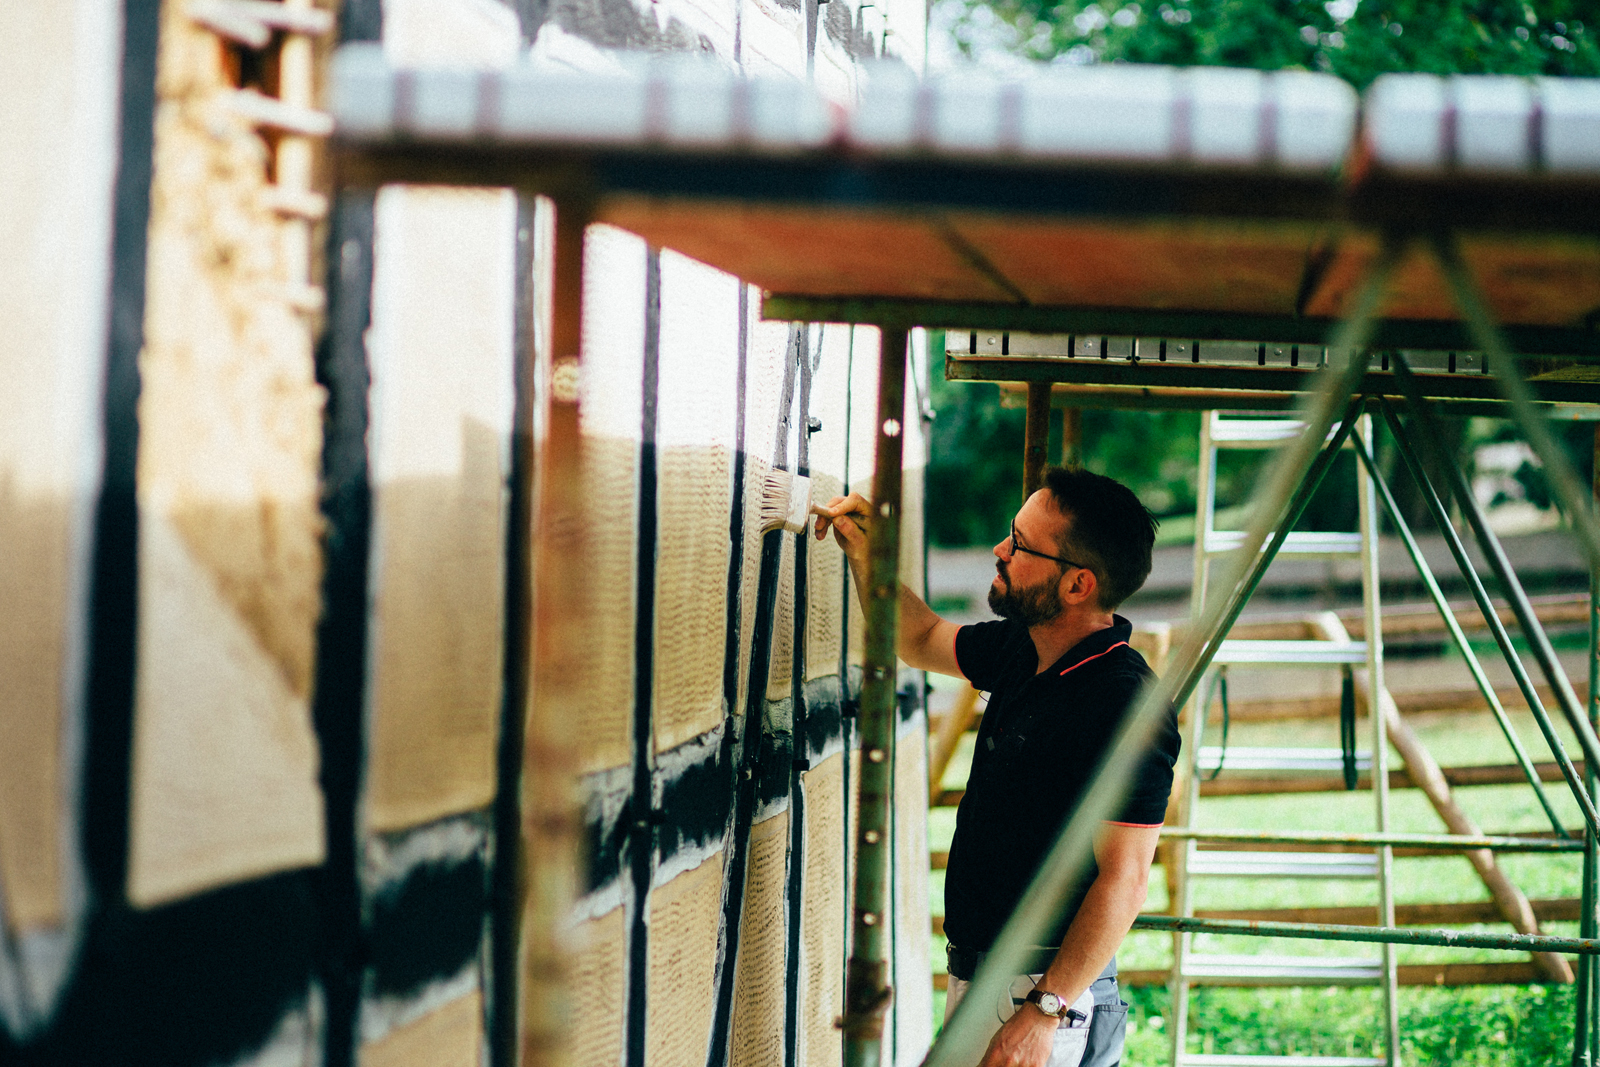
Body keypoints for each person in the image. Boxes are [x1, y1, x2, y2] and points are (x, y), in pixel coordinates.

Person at [815, 466, 1180, 1067]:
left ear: (1077, 585)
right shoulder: (1025, 648)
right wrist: (871, 555)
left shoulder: (1123, 702)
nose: (1000, 549)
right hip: (992, 975)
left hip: (1041, 990)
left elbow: (1126, 879)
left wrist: (1044, 1011)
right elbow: (921, 637)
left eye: (1021, 543)